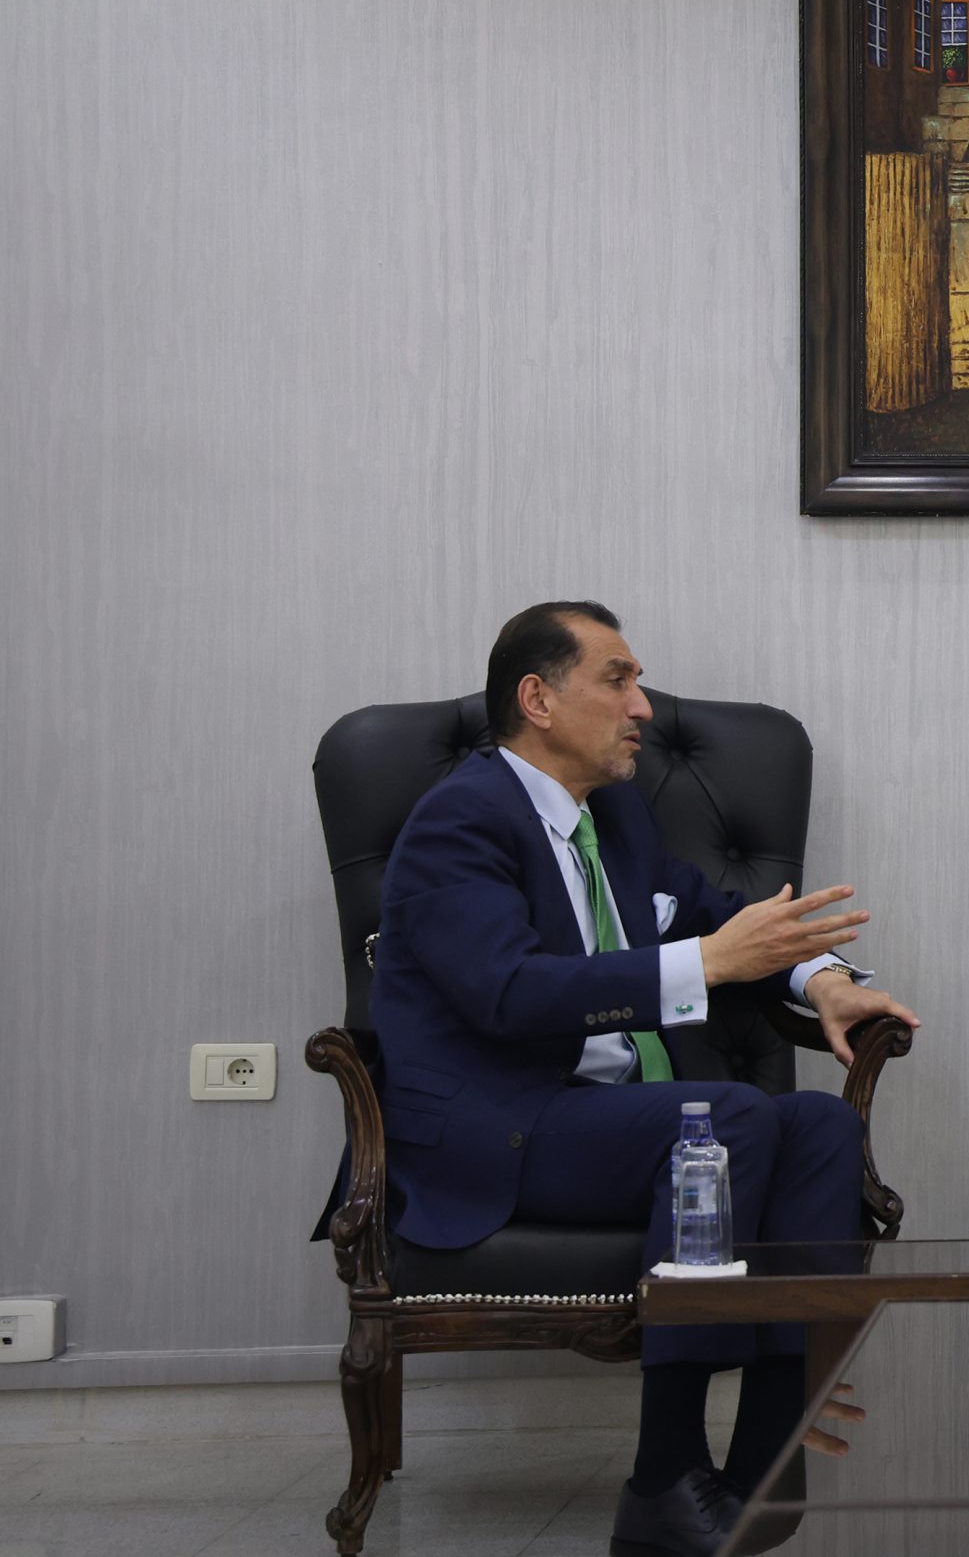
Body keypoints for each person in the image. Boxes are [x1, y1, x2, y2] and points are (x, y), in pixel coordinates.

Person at [369, 602, 918, 1557]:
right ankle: (665, 1471)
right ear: (538, 698)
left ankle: (766, 1459)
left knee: (821, 1127)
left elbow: (713, 913)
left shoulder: (613, 816)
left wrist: (823, 980)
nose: (644, 706)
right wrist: (707, 962)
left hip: (601, 1120)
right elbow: (508, 993)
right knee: (725, 1118)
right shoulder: (459, 820)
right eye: (618, 679)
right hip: (495, 1129)